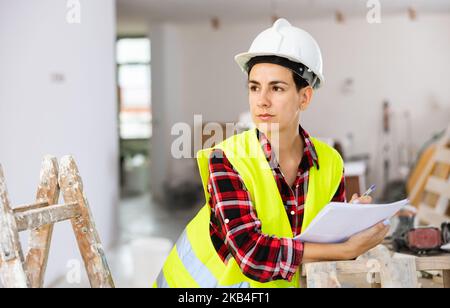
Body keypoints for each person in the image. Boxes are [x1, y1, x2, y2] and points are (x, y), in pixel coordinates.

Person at [154, 18, 389, 288]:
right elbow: (252, 254)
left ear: (305, 97)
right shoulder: (227, 159)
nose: (262, 100)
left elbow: (323, 247)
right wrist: (346, 249)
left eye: (276, 88)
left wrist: (352, 224)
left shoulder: (330, 162)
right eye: (254, 87)